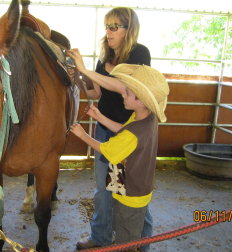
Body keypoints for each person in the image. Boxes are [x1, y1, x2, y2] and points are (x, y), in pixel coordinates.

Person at [67, 7, 153, 250]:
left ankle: (143, 242)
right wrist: (79, 79)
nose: (108, 31)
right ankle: (101, 238)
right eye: (107, 26)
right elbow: (96, 92)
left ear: (129, 29)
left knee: (133, 192)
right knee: (105, 190)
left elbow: (122, 87)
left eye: (114, 26)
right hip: (106, 128)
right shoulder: (105, 57)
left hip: (129, 133)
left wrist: (85, 70)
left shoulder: (140, 53)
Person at [70, 64, 169, 250]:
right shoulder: (145, 117)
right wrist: (99, 117)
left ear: (141, 100)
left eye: (128, 93)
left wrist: (82, 135)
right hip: (134, 184)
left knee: (126, 236)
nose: (123, 94)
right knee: (131, 221)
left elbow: (106, 149)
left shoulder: (134, 133)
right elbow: (123, 128)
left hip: (130, 193)